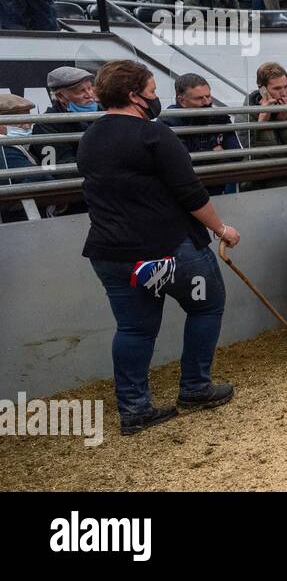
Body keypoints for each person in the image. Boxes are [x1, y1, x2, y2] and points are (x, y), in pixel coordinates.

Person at [77, 60, 240, 435]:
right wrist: (221, 229)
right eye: (151, 92)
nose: (155, 100)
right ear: (134, 96)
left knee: (133, 329)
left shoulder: (90, 137)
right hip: (167, 249)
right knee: (207, 305)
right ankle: (196, 387)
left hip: (111, 252)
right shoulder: (155, 135)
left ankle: (134, 409)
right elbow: (190, 193)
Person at [162, 74, 240, 196]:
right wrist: (216, 152)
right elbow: (181, 165)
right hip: (184, 194)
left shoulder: (219, 117)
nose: (207, 102)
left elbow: (236, 155)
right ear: (181, 100)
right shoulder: (169, 121)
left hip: (218, 188)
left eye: (208, 96)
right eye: (199, 98)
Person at [244, 62, 287, 189]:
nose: (284, 93)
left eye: (286, 87)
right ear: (262, 89)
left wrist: (284, 123)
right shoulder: (246, 115)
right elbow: (258, 158)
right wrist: (262, 123)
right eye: (277, 89)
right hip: (258, 187)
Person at [0, 91, 53, 221]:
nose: (26, 126)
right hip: (15, 221)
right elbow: (39, 180)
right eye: (18, 122)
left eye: (28, 120)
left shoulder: (24, 146)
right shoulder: (4, 150)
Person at [30, 66, 96, 169]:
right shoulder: (46, 126)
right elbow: (59, 170)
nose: (89, 94)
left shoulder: (103, 112)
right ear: (61, 96)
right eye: (81, 91)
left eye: (90, 88)